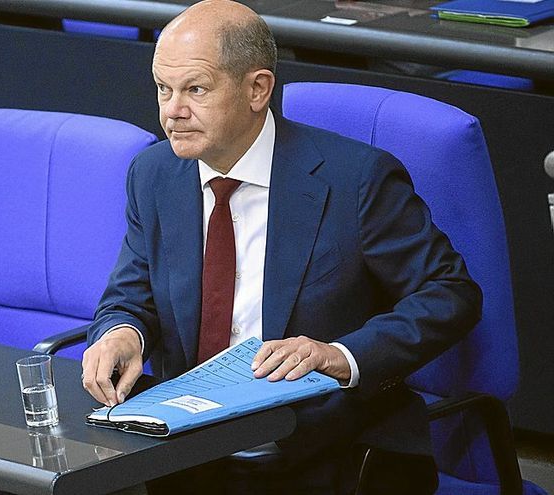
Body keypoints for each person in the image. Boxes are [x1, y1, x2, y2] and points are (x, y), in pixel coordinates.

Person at [81, 0, 482, 493]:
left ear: (257, 89)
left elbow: (450, 293)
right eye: (163, 89)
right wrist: (122, 334)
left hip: (325, 446)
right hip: (186, 449)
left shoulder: (355, 180)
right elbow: (129, 293)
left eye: (195, 89)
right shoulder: (155, 173)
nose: (172, 111)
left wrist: (339, 354)